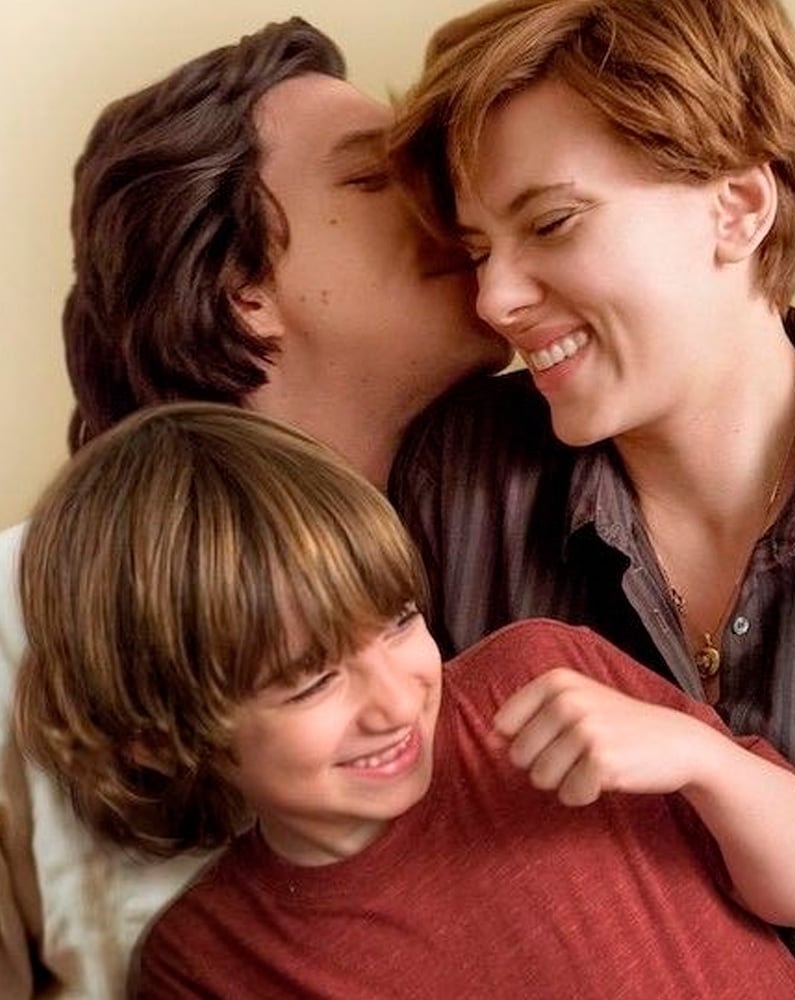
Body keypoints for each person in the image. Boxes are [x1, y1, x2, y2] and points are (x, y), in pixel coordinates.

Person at [386, 1, 795, 998]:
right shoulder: (455, 484)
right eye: (478, 249)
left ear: (739, 207)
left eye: (551, 222)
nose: (494, 301)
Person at [14, 401, 795, 998]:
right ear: (158, 737)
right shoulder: (210, 960)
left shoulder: (542, 676)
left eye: (399, 623)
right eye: (312, 681)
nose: (394, 700)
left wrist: (704, 761)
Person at [0, 17, 510, 998]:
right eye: (376, 176)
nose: (458, 198)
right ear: (244, 289)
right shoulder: (15, 619)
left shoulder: (553, 529)